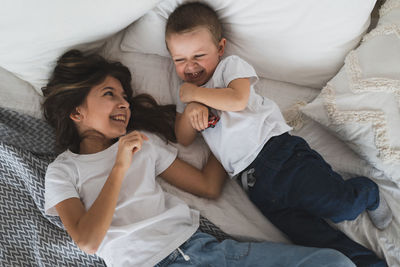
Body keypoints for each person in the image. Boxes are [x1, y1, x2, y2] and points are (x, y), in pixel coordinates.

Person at [42, 49, 355, 267]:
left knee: (335, 262)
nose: (124, 103)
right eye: (109, 94)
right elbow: (88, 241)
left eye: (124, 96)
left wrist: (224, 123)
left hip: (205, 250)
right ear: (76, 112)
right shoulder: (63, 171)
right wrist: (120, 166)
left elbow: (207, 186)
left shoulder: (145, 144)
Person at [165, 2, 392, 267]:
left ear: (220, 48)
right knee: (316, 240)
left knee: (340, 207)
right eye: (179, 60)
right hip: (252, 183)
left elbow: (238, 99)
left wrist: (195, 94)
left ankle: (366, 192)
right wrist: (190, 108)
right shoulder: (187, 94)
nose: (189, 67)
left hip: (281, 156)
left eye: (198, 56)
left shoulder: (229, 69)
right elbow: (184, 139)